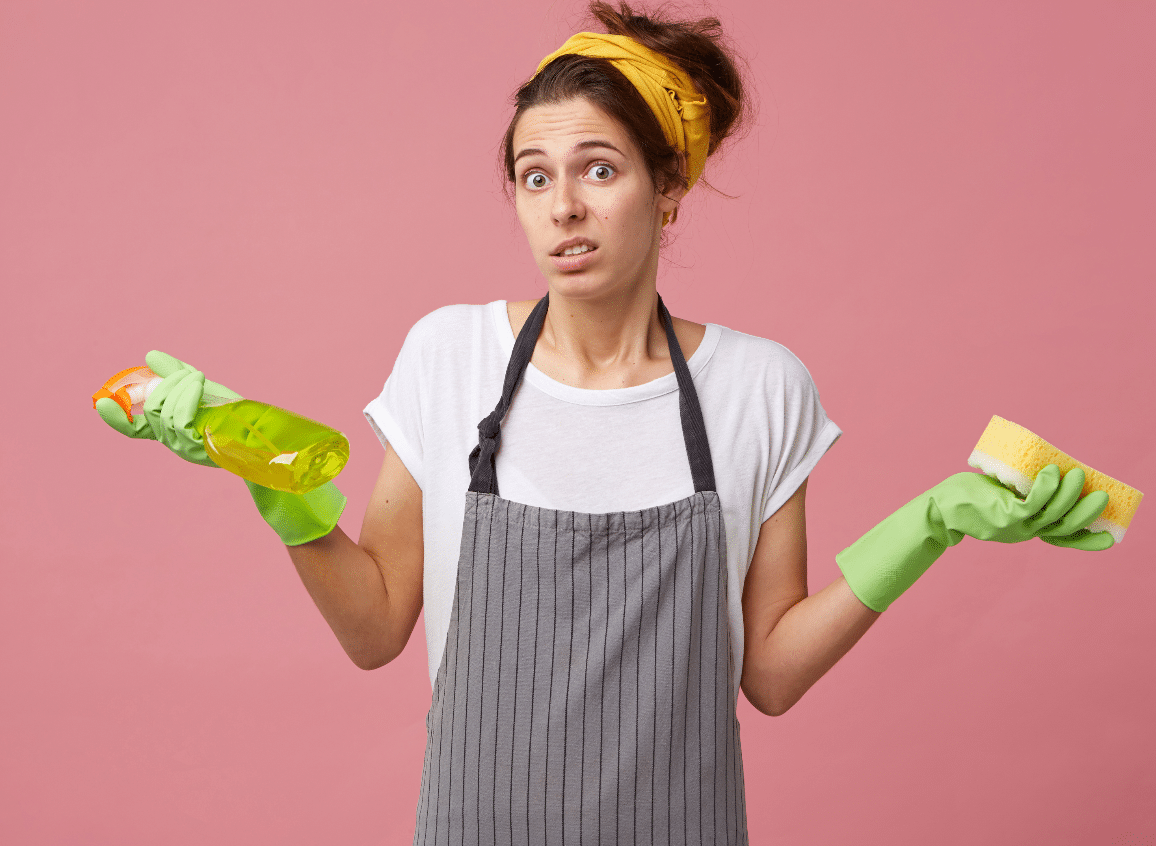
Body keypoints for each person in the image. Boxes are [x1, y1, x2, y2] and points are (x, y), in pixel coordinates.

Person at [94, 2, 1114, 843]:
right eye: (535, 177)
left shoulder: (760, 388)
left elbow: (767, 673)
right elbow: (373, 629)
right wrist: (266, 473)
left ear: (667, 190)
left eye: (599, 169)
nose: (562, 207)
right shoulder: (448, 357)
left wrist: (930, 524)